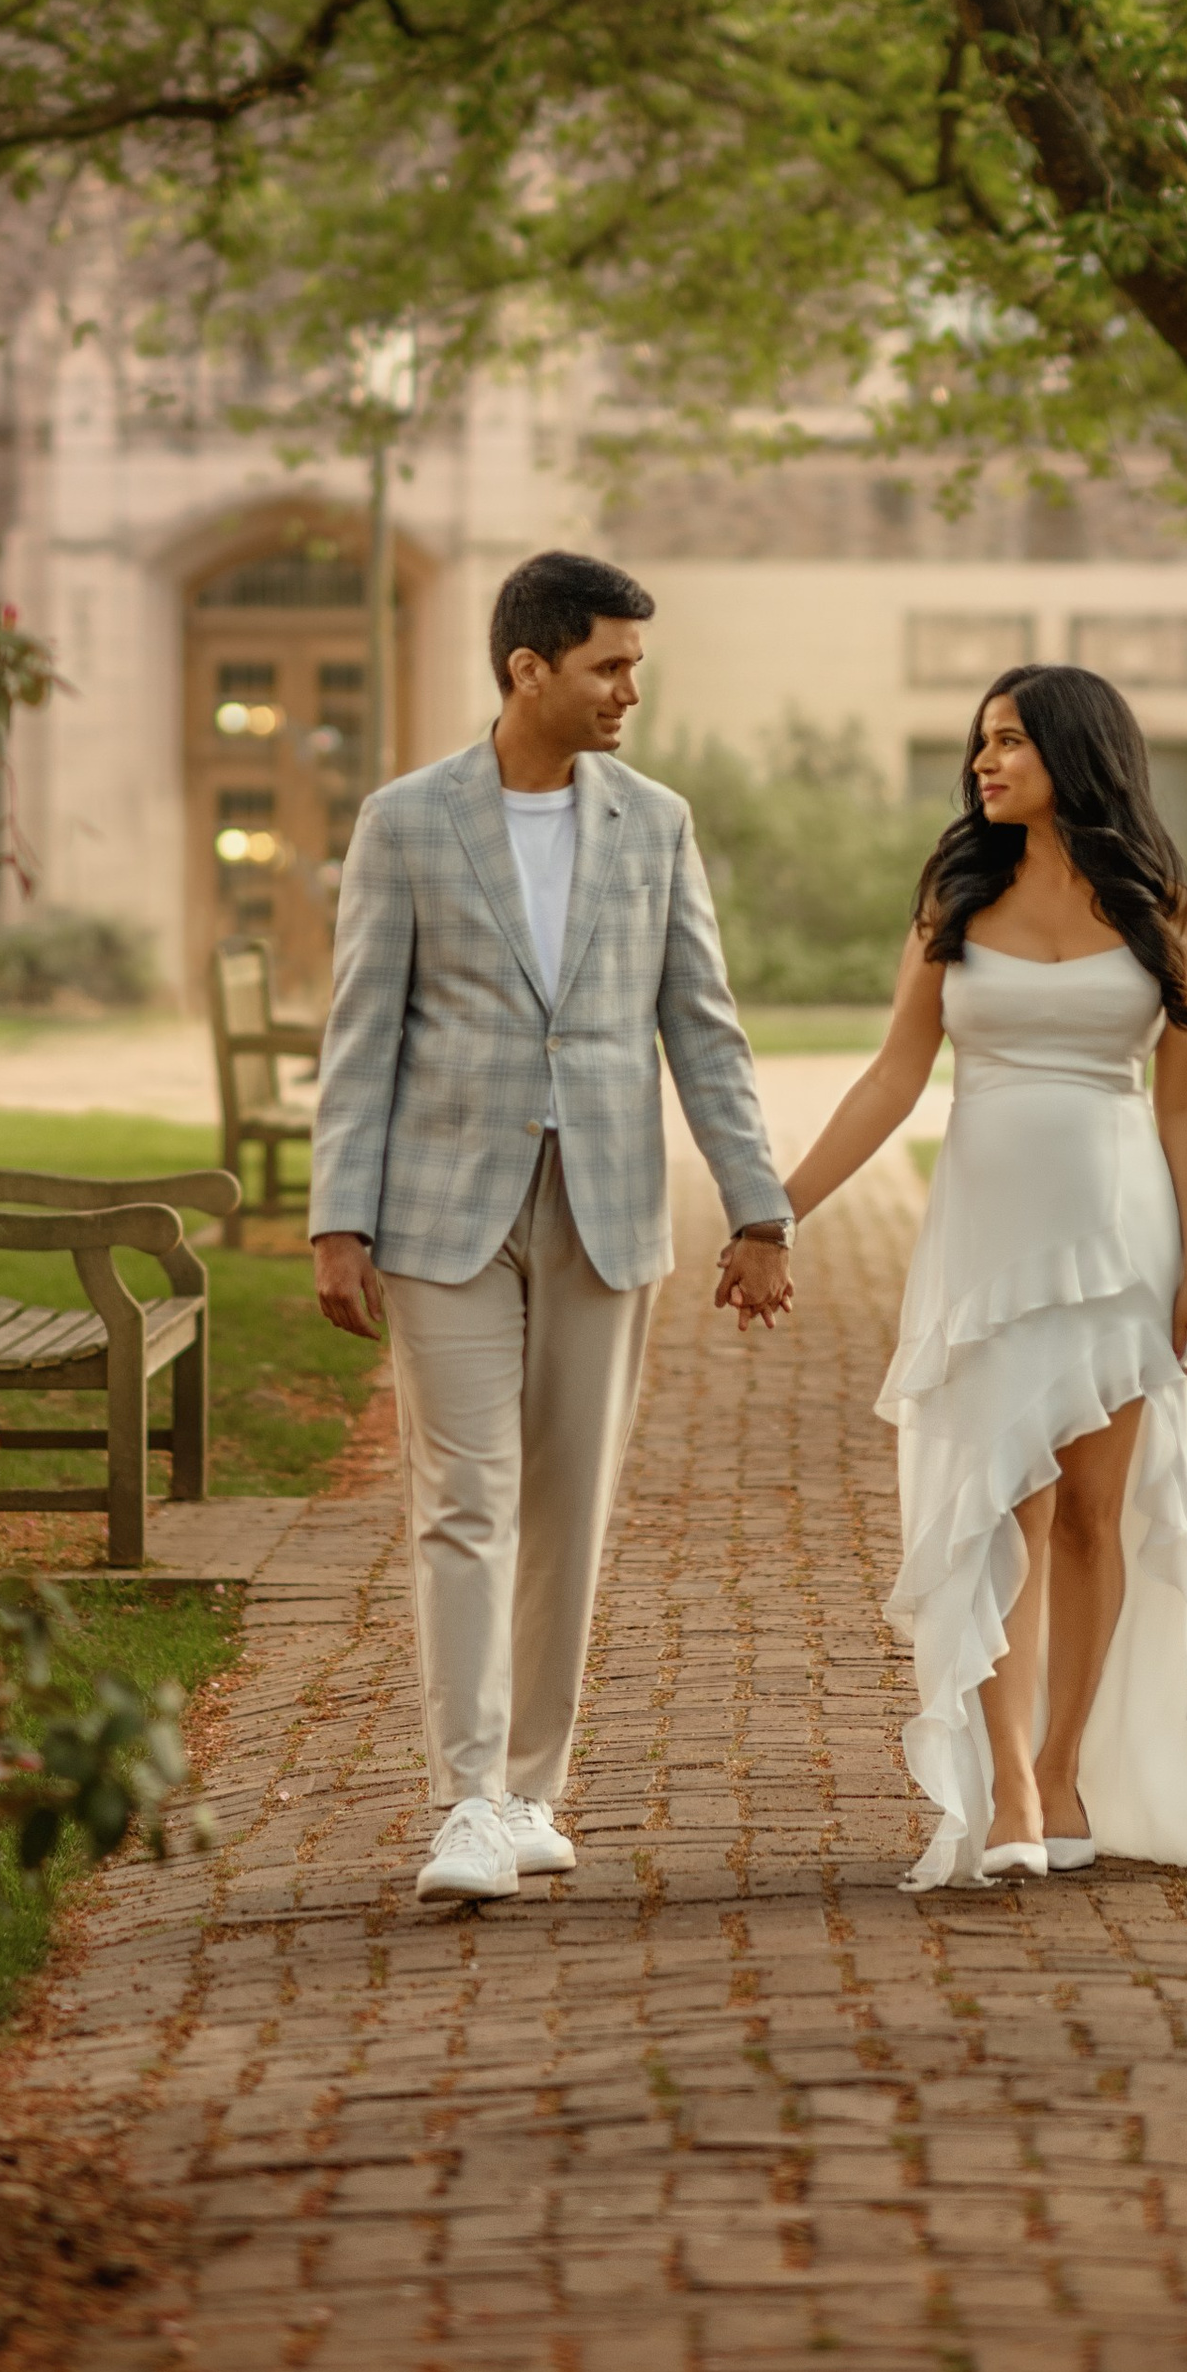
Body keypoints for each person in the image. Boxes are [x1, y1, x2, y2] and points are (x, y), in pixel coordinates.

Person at [309, 550, 795, 1905]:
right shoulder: (406, 821)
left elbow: (704, 1029)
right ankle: (465, 1799)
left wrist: (758, 1208)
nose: (630, 690)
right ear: (529, 669)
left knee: (568, 1511)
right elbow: (360, 1033)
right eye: (608, 666)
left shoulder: (656, 823)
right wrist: (338, 1219)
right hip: (439, 1214)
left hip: (607, 1210)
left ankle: (530, 1790)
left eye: (634, 666)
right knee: (464, 1502)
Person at [781, 665, 1187, 1889]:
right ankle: (1002, 1786)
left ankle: (1060, 1772)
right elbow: (893, 1076)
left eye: (1008, 741)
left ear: (1074, 751)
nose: (983, 763)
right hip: (988, 1236)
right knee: (1009, 1501)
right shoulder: (955, 897)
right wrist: (774, 1210)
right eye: (980, 743)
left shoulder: (1164, 908)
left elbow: (1185, 1102)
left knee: (1095, 1514)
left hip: (1121, 1234)